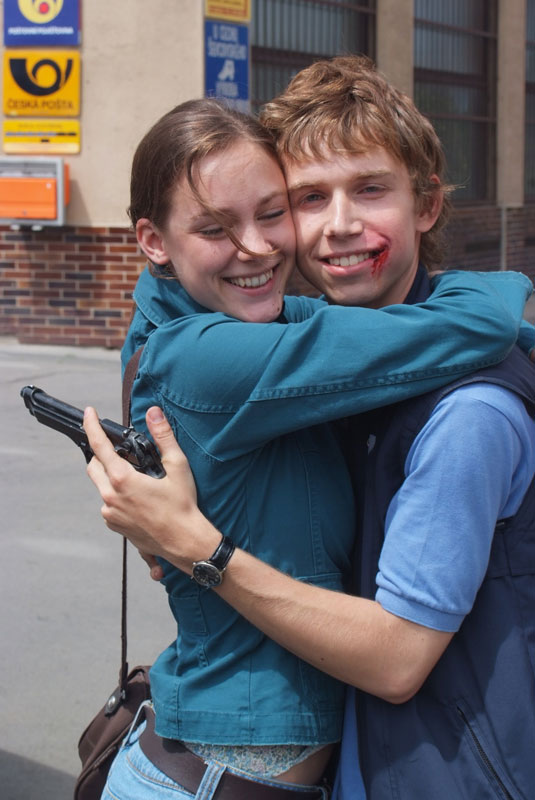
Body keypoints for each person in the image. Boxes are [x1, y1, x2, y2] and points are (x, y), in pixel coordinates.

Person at [86, 62, 533, 800]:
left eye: (367, 189)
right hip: (214, 776)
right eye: (308, 199)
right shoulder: (233, 348)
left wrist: (188, 540)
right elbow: (477, 321)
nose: (330, 226)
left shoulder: (460, 411)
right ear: (153, 240)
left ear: (425, 204)